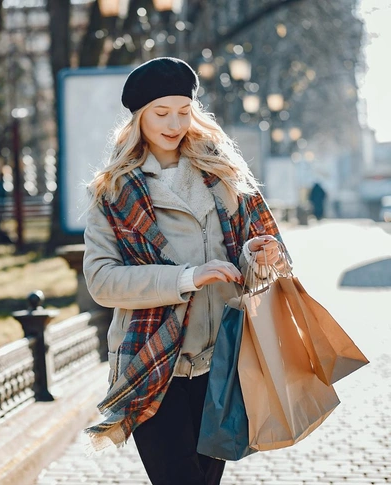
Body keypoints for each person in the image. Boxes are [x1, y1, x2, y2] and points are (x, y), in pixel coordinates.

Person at [82, 57, 290, 485]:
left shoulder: (225, 174)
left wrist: (259, 257)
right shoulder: (115, 191)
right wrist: (187, 278)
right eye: (161, 113)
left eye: (183, 110)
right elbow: (102, 281)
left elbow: (256, 262)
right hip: (153, 364)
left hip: (222, 361)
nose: (174, 123)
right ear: (139, 117)